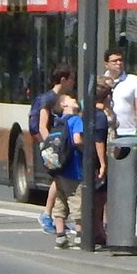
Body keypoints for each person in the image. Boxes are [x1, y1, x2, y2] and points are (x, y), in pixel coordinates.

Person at [32, 65, 74, 235]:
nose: (73, 82)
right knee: (58, 178)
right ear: (63, 80)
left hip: (60, 144)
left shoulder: (63, 98)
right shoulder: (48, 98)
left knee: (59, 179)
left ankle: (55, 216)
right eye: (71, 78)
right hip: (54, 146)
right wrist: (52, 144)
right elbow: (42, 125)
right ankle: (47, 214)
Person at [49, 95, 85, 249]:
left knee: (60, 202)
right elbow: (77, 140)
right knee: (77, 202)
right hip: (74, 169)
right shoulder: (76, 120)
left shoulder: (58, 121)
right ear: (63, 104)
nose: (75, 99)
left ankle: (60, 236)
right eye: (71, 99)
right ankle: (79, 236)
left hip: (59, 169)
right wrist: (86, 151)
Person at [91, 81, 114, 248]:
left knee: (98, 197)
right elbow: (99, 141)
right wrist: (103, 163)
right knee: (99, 198)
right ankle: (98, 232)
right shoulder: (100, 116)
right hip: (97, 160)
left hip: (90, 160)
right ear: (106, 97)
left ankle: (97, 230)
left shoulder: (89, 112)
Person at [104, 49, 137, 136]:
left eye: (121, 60)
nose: (119, 63)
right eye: (115, 61)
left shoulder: (133, 80)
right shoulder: (101, 82)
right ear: (106, 64)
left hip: (129, 132)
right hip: (107, 132)